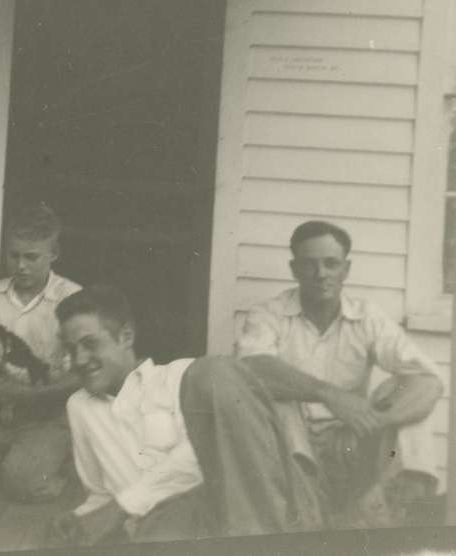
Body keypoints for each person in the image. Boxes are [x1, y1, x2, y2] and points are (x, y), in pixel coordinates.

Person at [50, 285, 322, 546]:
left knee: (216, 371)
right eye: (71, 349)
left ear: (126, 337)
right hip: (157, 525)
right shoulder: (80, 407)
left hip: (226, 507)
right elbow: (100, 492)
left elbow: (204, 458)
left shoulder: (183, 377)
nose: (79, 360)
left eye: (90, 344)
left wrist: (122, 506)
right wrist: (80, 519)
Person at [236, 220, 443, 527]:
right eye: (309, 264)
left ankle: (403, 509)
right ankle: (308, 508)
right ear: (294, 269)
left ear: (345, 269)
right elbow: (253, 369)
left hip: (352, 441)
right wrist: (330, 395)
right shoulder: (269, 314)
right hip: (292, 446)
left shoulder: (366, 316)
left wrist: (372, 420)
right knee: (279, 397)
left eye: (331, 264)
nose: (321, 274)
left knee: (402, 389)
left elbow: (428, 381)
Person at [0, 203, 82, 502]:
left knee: (23, 484)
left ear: (53, 254)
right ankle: (14, 453)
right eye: (14, 256)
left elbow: (82, 374)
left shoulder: (73, 297)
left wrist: (32, 395)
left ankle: (61, 460)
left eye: (32, 257)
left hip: (51, 411)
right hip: (3, 409)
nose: (21, 265)